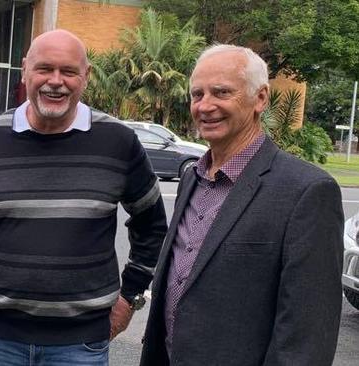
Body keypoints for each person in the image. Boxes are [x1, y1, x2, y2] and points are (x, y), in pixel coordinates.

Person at [0, 29, 167, 365]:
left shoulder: (119, 143)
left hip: (79, 346)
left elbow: (153, 227)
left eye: (69, 72)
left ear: (85, 77)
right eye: (44, 69)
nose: (55, 81)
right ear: (25, 69)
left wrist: (130, 297)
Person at [140, 44, 344, 366]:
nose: (205, 106)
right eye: (197, 94)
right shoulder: (192, 178)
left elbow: (306, 339)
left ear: (260, 98)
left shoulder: (307, 191)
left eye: (221, 92)